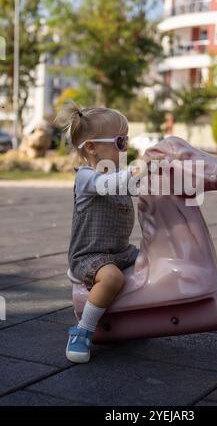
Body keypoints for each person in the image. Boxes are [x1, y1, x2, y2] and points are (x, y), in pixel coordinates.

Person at [58, 104, 150, 363]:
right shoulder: (86, 177)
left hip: (119, 252)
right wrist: (136, 169)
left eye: (127, 140)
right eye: (120, 141)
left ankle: (139, 315)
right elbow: (108, 185)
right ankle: (83, 331)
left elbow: (137, 187)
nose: (126, 147)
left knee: (153, 260)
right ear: (91, 147)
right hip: (89, 256)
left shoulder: (120, 176)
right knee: (111, 278)